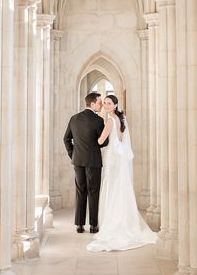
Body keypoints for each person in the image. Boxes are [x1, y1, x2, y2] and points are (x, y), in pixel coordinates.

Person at [86, 94, 157, 251]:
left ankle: (114, 224)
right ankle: (122, 220)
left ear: (115, 105)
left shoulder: (111, 120)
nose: (106, 106)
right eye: (104, 103)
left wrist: (91, 136)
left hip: (112, 158)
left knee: (112, 188)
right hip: (118, 157)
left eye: (109, 103)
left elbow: (100, 140)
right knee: (118, 188)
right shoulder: (120, 119)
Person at [63, 92, 109, 233]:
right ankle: (94, 225)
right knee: (93, 192)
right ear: (92, 103)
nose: (101, 105)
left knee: (80, 191)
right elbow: (104, 142)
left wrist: (73, 154)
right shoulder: (98, 120)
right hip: (93, 161)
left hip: (78, 160)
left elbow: (66, 139)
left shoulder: (74, 119)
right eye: (100, 102)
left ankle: (79, 225)